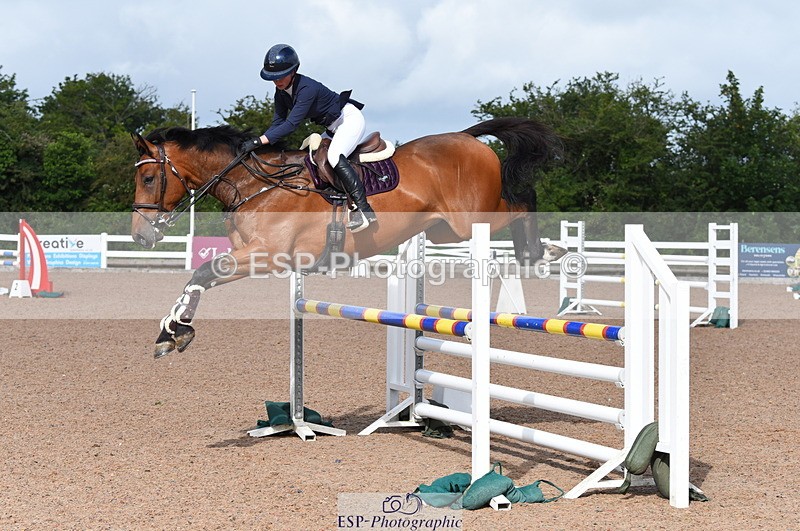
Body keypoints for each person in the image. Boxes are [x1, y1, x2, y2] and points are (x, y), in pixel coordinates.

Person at [240, 43, 377, 232]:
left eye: (280, 76)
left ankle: (364, 210)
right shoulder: (280, 93)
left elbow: (290, 125)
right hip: (331, 127)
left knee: (335, 156)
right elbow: (278, 122)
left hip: (349, 120)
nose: (276, 81)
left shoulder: (307, 88)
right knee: (308, 158)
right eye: (273, 78)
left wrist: (259, 141)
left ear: (294, 71)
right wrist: (261, 142)